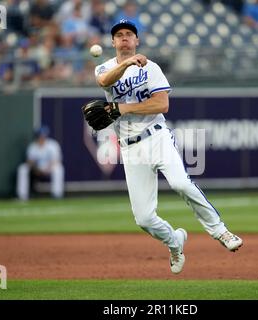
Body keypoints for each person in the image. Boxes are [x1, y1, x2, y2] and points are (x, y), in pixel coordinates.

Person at [91, 20, 243, 274]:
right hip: (130, 148)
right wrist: (126, 63)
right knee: (144, 219)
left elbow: (161, 105)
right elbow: (104, 82)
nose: (125, 38)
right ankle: (174, 242)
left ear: (137, 40)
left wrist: (123, 108)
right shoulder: (104, 67)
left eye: (129, 34)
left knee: (181, 183)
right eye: (119, 35)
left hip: (157, 137)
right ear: (113, 43)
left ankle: (221, 231)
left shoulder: (151, 68)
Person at [16, 126, 64, 200]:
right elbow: (30, 162)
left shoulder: (52, 145)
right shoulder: (33, 146)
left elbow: (56, 160)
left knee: (58, 169)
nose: (41, 137)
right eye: (40, 135)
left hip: (49, 167)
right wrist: (36, 169)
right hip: (37, 168)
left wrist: (47, 169)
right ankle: (22, 196)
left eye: (43, 135)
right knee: (22, 168)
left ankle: (57, 195)